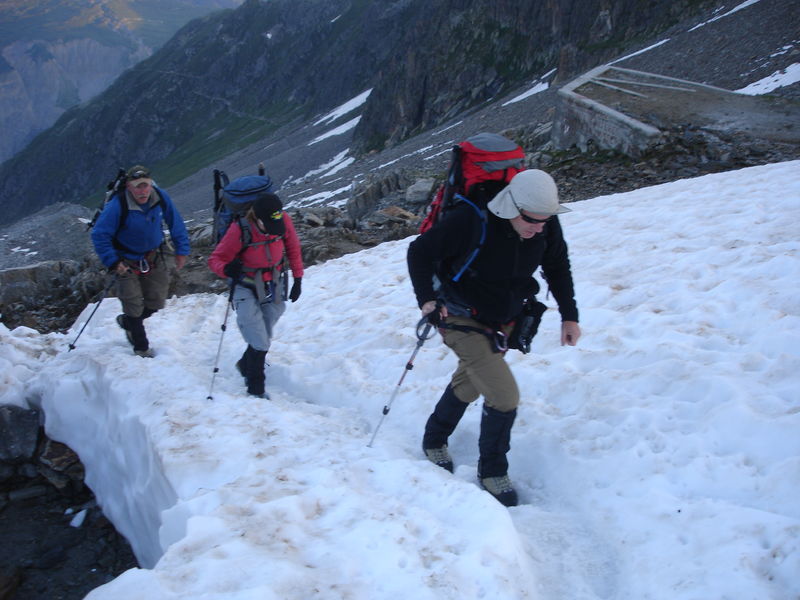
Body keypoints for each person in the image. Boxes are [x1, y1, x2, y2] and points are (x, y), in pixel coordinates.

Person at [406, 169, 581, 506]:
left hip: (506, 318)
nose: (540, 228)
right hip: (458, 315)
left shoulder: (543, 221)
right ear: (512, 207)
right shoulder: (470, 220)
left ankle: (434, 438)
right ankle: (492, 472)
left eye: (547, 221)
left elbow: (557, 265)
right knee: (504, 395)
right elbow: (420, 252)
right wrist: (427, 299)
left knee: (472, 381)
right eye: (532, 220)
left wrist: (569, 314)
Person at [208, 193, 304, 399]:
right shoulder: (239, 229)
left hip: (273, 281)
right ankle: (255, 387)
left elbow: (293, 247)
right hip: (245, 284)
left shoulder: (282, 218)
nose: (273, 228)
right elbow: (215, 259)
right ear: (257, 218)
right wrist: (227, 269)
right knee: (259, 338)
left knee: (266, 329)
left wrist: (298, 279)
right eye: (268, 224)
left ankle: (245, 363)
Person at [91, 165, 190, 358]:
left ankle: (128, 322)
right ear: (129, 186)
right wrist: (113, 261)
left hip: (154, 255)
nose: (143, 191)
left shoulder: (159, 196)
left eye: (146, 186)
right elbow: (100, 234)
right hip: (124, 260)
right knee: (132, 303)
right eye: (138, 187)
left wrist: (182, 250)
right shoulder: (117, 205)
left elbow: (175, 222)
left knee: (156, 301)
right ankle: (141, 347)